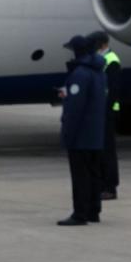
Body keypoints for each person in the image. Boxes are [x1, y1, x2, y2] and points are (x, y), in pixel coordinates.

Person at [56, 33, 107, 226]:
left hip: (81, 135)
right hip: (95, 133)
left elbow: (75, 109)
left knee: (80, 176)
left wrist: (67, 133)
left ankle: (80, 213)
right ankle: (94, 210)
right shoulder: (99, 72)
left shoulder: (79, 75)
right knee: (94, 173)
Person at [90, 31, 122, 202]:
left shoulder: (112, 61)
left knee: (108, 151)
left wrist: (106, 109)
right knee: (99, 150)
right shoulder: (99, 60)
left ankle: (110, 187)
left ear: (102, 45)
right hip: (100, 111)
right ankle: (101, 184)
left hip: (107, 111)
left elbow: (113, 90)